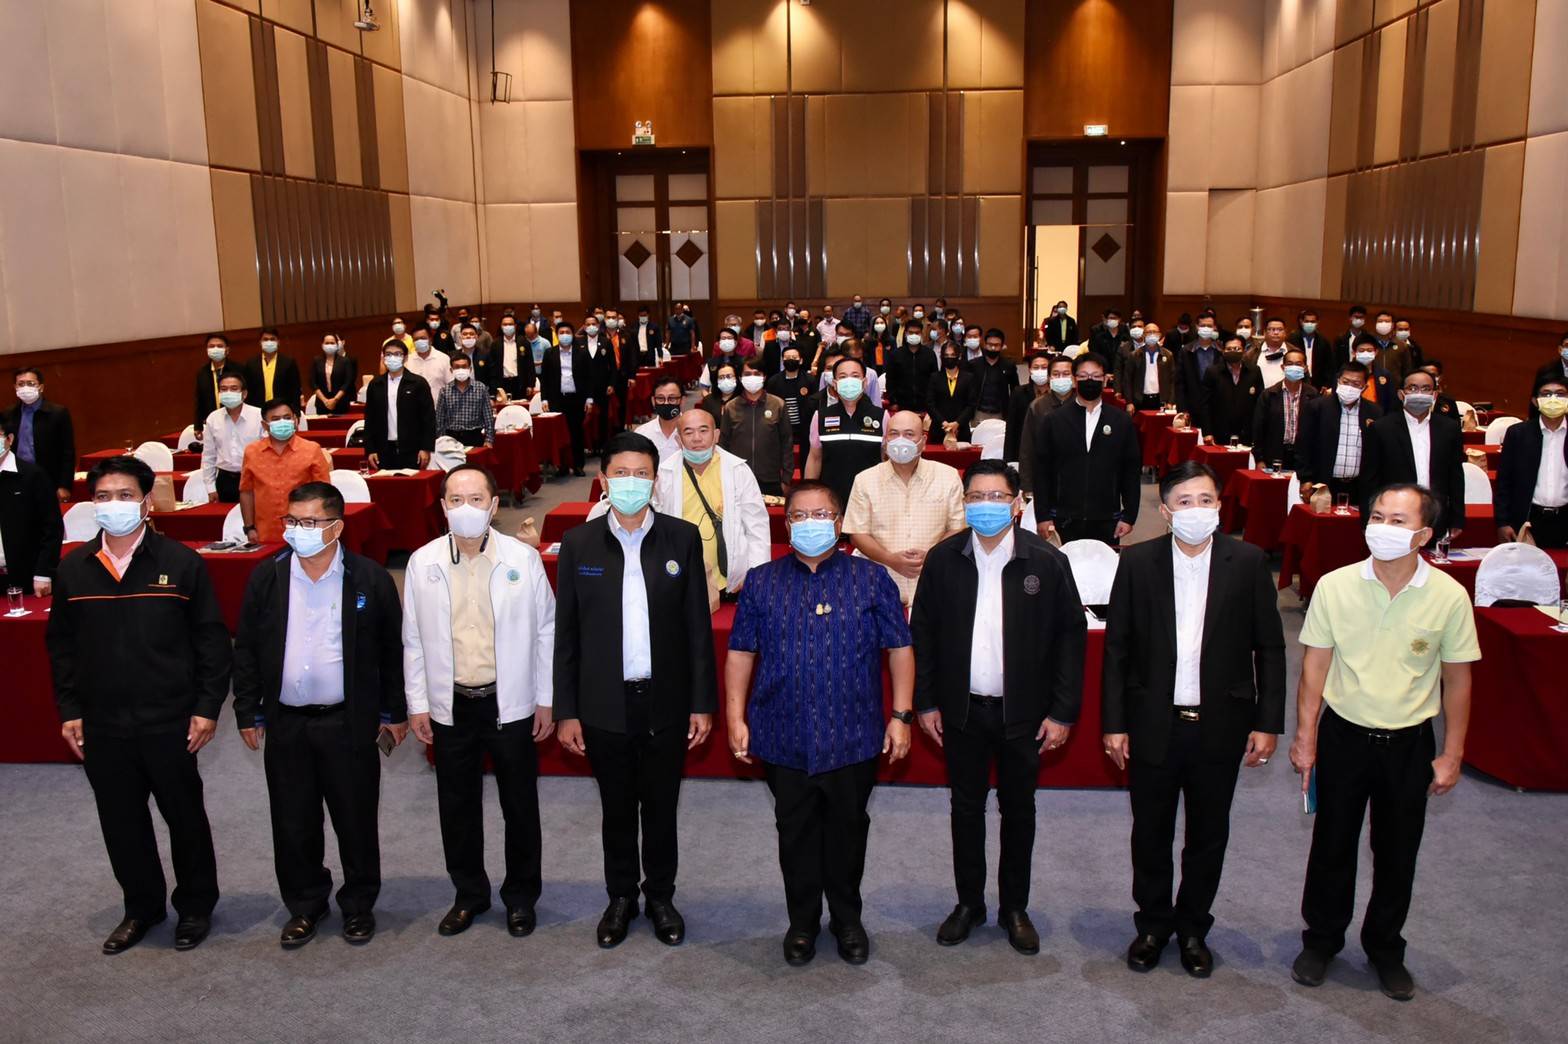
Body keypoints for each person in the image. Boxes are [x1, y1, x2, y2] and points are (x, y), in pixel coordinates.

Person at [1289, 484, 1480, 1001]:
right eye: (1377, 517)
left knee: (1397, 851)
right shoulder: (1335, 585)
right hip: (1344, 735)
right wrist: (1306, 736)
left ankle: (1385, 948)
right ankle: (1321, 940)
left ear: (1423, 535)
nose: (1382, 528)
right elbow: (1314, 667)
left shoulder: (1448, 596)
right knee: (1332, 843)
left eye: (1398, 521)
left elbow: (1458, 681)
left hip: (1409, 743)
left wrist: (1453, 753)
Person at [1102, 461, 1286, 976]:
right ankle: (1153, 925)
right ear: (1165, 511)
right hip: (1152, 721)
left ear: (1220, 506)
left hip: (1220, 723)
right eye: (1184, 502)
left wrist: (1268, 722)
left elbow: (1270, 648)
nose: (1196, 510)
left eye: (1206, 500)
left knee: (1208, 834)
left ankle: (1192, 928)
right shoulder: (1137, 562)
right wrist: (1114, 723)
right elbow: (1117, 650)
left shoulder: (1247, 562)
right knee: (1150, 832)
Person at [46, 456, 231, 954]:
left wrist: (207, 707)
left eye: (125, 495)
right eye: (103, 497)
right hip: (103, 723)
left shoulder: (181, 563)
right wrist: (69, 709)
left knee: (184, 818)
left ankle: (195, 907)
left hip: (169, 720)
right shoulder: (74, 568)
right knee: (121, 821)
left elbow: (211, 642)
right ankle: (142, 908)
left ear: (147, 503)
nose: (114, 505)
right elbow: (62, 648)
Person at [726, 479, 915, 966]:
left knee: (848, 832)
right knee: (795, 834)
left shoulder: (871, 579)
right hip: (781, 733)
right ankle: (803, 923)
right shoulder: (762, 582)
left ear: (839, 522)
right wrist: (734, 715)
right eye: (799, 516)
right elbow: (741, 652)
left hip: (853, 734)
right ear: (787, 525)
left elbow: (900, 648)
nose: (810, 524)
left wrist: (901, 716)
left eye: (821, 515)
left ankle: (847, 920)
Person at [911, 461, 1086, 954]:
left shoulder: (1047, 561)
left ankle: (1014, 908)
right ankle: (969, 904)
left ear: (1017, 504)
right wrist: (925, 701)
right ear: (964, 503)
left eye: (996, 497)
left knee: (1019, 810)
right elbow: (923, 635)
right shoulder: (944, 559)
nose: (985, 506)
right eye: (976, 497)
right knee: (965, 808)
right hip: (961, 711)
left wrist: (1063, 712)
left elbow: (1070, 640)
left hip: (1024, 716)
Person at [553, 432, 717, 949]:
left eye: (641, 474)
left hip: (665, 701)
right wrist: (566, 710)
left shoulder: (681, 538)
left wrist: (701, 703)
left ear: (655, 481)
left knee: (662, 807)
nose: (631, 483)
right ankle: (620, 897)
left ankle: (661, 897)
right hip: (603, 702)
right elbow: (566, 634)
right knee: (617, 808)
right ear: (603, 479)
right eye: (621, 473)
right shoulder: (579, 543)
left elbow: (697, 628)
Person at [231, 482, 406, 948]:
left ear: (337, 527)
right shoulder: (267, 576)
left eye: (310, 522)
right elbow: (246, 648)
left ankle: (358, 904)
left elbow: (392, 651)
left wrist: (395, 711)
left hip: (349, 720)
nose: (298, 531)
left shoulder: (369, 578)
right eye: (292, 521)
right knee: (293, 821)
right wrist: (247, 710)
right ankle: (305, 905)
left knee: (355, 818)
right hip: (286, 721)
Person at [404, 465, 555, 937]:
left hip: (509, 702)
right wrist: (418, 702)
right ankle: (469, 894)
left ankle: (521, 897)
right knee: (457, 806)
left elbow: (546, 631)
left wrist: (546, 699)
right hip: (452, 704)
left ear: (492, 505)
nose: (465, 508)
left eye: (475, 499)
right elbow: (413, 638)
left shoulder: (522, 559)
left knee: (520, 805)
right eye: (455, 500)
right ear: (442, 507)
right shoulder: (422, 562)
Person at [843, 410, 965, 605]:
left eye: (909, 434)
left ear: (923, 441)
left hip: (933, 583)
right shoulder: (864, 480)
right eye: (894, 433)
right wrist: (890, 559)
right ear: (885, 440)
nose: (901, 440)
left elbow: (958, 527)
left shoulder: (947, 476)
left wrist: (932, 555)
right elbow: (857, 533)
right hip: (880, 584)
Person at [1032, 352, 1141, 545]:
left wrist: (1129, 515)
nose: (1089, 381)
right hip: (1063, 517)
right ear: (1074, 380)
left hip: (1107, 517)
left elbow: (1131, 470)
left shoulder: (1121, 421)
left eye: (1096, 376)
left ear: (1105, 380)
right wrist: (1042, 515)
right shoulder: (1054, 420)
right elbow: (1041, 470)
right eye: (1083, 376)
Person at [659, 409, 770, 595]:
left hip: (730, 581)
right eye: (688, 432)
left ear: (716, 435)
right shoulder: (663, 474)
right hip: (680, 580)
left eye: (703, 430)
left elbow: (757, 527)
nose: (697, 438)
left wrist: (755, 574)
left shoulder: (738, 471)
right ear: (678, 440)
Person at [1362, 369, 1466, 538]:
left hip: (1436, 515)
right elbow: (1369, 479)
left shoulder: (1449, 428)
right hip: (1394, 517)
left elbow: (1456, 475)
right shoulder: (1381, 428)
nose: (1419, 394)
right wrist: (1367, 519)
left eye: (1426, 389)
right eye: (1412, 388)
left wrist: (1457, 518)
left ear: (1434, 395)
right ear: (1401, 394)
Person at [239, 400, 331, 544]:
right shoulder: (252, 452)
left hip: (305, 531)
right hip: (265, 533)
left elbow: (324, 493)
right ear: (265, 425)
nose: (282, 422)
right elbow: (246, 491)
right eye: (275, 419)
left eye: (287, 417)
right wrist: (249, 528)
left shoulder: (312, 450)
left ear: (295, 420)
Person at [1496, 373, 1568, 548]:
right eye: (1546, 394)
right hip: (1528, 519)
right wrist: (1503, 522)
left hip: (1565, 519)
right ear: (1535, 401)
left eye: (1560, 394)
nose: (1553, 399)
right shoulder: (1518, 434)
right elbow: (1504, 481)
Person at [1296, 362, 1383, 506]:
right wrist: (1305, 478)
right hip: (1323, 483)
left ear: (1364, 387)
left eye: (1356, 384)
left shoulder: (1375, 412)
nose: (1349, 387)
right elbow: (1303, 445)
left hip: (1359, 486)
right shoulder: (1317, 407)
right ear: (1338, 381)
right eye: (1345, 382)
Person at [804, 356, 885, 510]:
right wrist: (808, 493)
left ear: (864, 382)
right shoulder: (820, 416)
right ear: (835, 384)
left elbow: (885, 459)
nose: (849, 381)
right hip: (832, 500)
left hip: (871, 500)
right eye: (843, 377)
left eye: (855, 376)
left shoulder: (881, 416)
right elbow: (815, 458)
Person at [0, 414, 64, 596]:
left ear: (9, 439)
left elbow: (52, 528)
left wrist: (44, 572)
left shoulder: (33, 476)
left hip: (28, 577)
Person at [720, 360, 794, 496]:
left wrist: (786, 479)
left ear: (764, 377)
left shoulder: (778, 405)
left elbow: (787, 443)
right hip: (738, 479)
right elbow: (723, 443)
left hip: (770, 479)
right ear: (740, 378)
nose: (752, 377)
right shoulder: (730, 407)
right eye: (747, 374)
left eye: (757, 373)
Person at [5, 367, 76, 502]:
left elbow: (67, 452)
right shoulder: (8, 414)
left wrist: (64, 485)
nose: (25, 387)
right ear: (15, 387)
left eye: (30, 383)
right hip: (16, 479)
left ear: (41, 387)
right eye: (21, 384)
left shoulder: (58, 413)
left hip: (48, 479)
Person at [363, 340, 436, 471]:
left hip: (412, 450)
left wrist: (426, 448)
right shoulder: (375, 385)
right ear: (383, 358)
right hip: (383, 450)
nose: (392, 358)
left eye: (397, 354)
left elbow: (428, 418)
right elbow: (369, 419)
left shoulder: (418, 383)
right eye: (388, 354)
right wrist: (370, 449)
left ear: (405, 357)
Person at [1016, 356, 1076, 495]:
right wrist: (1027, 486)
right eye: (1056, 374)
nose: (1061, 378)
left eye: (1066, 374)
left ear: (1074, 378)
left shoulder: (1083, 404)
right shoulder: (1037, 406)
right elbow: (1027, 448)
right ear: (1049, 378)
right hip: (1045, 478)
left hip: (1076, 478)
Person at [1251, 347, 1319, 471]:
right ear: (1283, 367)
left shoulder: (1313, 394)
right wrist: (1259, 459)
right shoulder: (1269, 394)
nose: (1294, 367)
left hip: (1303, 457)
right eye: (1290, 364)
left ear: (1305, 368)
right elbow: (1259, 429)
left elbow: (1317, 428)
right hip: (1274, 455)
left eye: (1298, 364)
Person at [199, 373, 262, 503]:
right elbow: (208, 455)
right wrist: (210, 488)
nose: (228, 392)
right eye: (223, 389)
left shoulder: (259, 416)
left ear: (244, 394)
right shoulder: (213, 418)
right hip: (225, 480)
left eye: (234, 389)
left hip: (255, 478)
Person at [540, 320, 591, 476]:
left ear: (572, 334)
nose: (564, 335)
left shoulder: (582, 352)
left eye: (567, 332)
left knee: (576, 433)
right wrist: (544, 399)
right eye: (561, 333)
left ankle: (578, 465)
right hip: (557, 399)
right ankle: (562, 466)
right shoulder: (550, 353)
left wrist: (589, 399)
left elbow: (589, 377)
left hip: (576, 398)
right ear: (557, 335)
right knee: (560, 435)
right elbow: (544, 378)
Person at [1200, 336, 1266, 446]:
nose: (1233, 352)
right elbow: (1205, 404)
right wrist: (1207, 432)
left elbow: (1259, 403)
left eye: (1237, 349)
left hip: (1247, 432)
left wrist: (1258, 432)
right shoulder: (1213, 372)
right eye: (1229, 349)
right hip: (1220, 432)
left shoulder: (1254, 371)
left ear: (1244, 350)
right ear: (1223, 351)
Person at [1004, 354, 1055, 465]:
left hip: (1051, 451)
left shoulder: (1057, 393)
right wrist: (1009, 461)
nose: (1040, 371)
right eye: (1036, 367)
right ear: (1029, 370)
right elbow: (1011, 428)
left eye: (1044, 367)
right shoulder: (1019, 393)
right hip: (1025, 450)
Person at [436, 355, 496, 448]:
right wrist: (441, 441)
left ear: (470, 369)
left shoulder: (480, 388)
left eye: (464, 367)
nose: (461, 370)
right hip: (451, 438)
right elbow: (440, 419)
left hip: (474, 436)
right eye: (457, 367)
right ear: (451, 370)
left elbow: (488, 417)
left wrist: (489, 439)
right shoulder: (445, 390)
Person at [927, 341, 978, 444]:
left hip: (961, 430)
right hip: (938, 429)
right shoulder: (934, 377)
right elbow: (930, 404)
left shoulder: (969, 378)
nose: (949, 358)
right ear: (941, 357)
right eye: (946, 355)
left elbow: (971, 405)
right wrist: (943, 423)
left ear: (959, 356)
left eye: (952, 355)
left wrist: (957, 423)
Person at [884, 321, 938, 414]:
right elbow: (890, 380)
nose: (914, 335)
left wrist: (932, 403)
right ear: (905, 334)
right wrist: (893, 401)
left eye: (917, 333)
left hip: (925, 406)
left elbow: (934, 379)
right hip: (901, 406)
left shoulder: (929, 354)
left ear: (921, 334)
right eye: (911, 332)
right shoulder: (896, 354)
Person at [192, 334, 241, 436]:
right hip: (213, 420)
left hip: (236, 418)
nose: (215, 349)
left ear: (227, 350)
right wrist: (198, 426)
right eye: (211, 346)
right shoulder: (202, 373)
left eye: (219, 346)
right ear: (207, 350)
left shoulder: (238, 369)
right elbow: (199, 400)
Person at [1176, 312, 1223, 416]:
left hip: (1216, 407)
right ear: (1197, 327)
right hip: (1192, 407)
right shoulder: (1186, 351)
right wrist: (1182, 410)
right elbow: (1180, 383)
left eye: (1209, 326)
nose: (1206, 328)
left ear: (1214, 328)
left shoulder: (1221, 351)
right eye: (1203, 325)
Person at [243, 329, 302, 409]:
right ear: (260, 342)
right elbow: (247, 389)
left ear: (278, 342)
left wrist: (296, 411)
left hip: (282, 408)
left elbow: (295, 390)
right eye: (265, 339)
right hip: (257, 409)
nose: (269, 342)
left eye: (272, 339)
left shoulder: (288, 363)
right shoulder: (251, 364)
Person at [968, 328, 1017, 424]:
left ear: (1002, 346)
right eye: (990, 345)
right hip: (978, 413)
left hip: (1000, 414)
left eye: (997, 345)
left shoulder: (1008, 365)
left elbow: (1015, 390)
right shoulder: (974, 365)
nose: (993, 348)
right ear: (985, 344)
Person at [1123, 321, 1176, 411]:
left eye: (1154, 332)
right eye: (1149, 332)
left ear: (1159, 335)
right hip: (1140, 400)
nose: (1152, 334)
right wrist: (1129, 402)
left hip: (1161, 400)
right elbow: (1127, 380)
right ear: (1143, 335)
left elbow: (1173, 380)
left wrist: (1171, 401)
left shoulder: (1168, 355)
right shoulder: (1134, 355)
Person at [634, 377, 685, 465]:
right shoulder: (641, 433)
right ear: (653, 401)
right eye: (660, 399)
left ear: (682, 401)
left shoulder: (695, 432)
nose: (666, 403)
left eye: (672, 398)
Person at [309, 333, 358, 416]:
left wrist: (335, 399)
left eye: (332, 343)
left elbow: (347, 382)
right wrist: (325, 400)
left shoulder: (345, 361)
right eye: (327, 343)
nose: (329, 345)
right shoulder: (316, 361)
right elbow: (312, 382)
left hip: (341, 403)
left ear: (337, 345)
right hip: (322, 403)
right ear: (322, 345)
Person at [406, 326, 453, 405]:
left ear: (430, 339)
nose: (419, 341)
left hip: (438, 408)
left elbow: (451, 385)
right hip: (414, 408)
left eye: (423, 338)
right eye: (416, 339)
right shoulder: (407, 360)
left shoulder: (443, 358)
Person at [1288, 309, 1334, 389]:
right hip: (1296, 379)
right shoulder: (1292, 340)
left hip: (1317, 383)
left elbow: (1329, 366)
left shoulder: (1323, 341)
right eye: (1307, 321)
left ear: (1317, 323)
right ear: (1301, 322)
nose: (1309, 324)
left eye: (1312, 322)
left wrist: (1327, 384)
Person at [1332, 305, 1370, 374]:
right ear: (1350, 318)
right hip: (1345, 373)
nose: (1358, 320)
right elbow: (1335, 361)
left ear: (1364, 319)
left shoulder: (1369, 338)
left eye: (1361, 317)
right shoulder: (1340, 339)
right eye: (1356, 317)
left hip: (1363, 372)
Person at [699, 361, 740, 426]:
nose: (725, 380)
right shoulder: (708, 400)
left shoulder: (744, 399)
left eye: (729, 376)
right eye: (721, 377)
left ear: (736, 378)